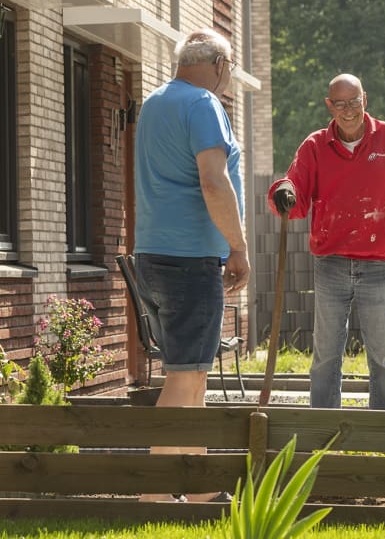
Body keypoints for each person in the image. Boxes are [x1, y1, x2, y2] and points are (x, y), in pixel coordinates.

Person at [267, 74, 385, 410]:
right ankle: (323, 429)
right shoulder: (315, 146)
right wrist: (283, 192)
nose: (348, 110)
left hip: (379, 264)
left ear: (366, 100)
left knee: (381, 356)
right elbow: (296, 190)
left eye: (354, 101)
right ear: (329, 105)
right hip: (330, 264)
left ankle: (382, 427)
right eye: (340, 103)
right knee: (325, 356)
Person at [132, 28, 249, 503]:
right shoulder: (203, 106)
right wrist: (238, 247)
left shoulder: (154, 102)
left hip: (153, 256)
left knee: (191, 372)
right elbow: (213, 182)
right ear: (220, 66)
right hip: (189, 261)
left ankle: (199, 492)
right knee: (184, 376)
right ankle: (155, 497)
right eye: (231, 71)